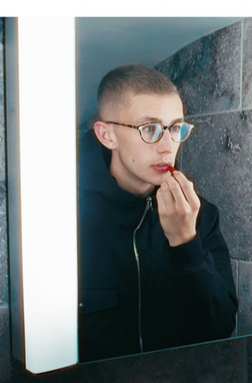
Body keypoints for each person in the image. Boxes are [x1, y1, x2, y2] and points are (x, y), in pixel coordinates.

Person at [79, 64, 238, 362]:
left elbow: (218, 332)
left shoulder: (198, 214)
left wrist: (186, 243)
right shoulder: (67, 217)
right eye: (149, 129)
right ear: (107, 135)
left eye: (175, 128)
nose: (168, 147)